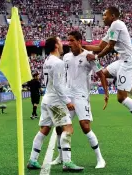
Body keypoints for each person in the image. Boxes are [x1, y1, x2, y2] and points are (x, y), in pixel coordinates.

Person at [84, 6, 132, 144]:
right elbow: (99, 46)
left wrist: (96, 57)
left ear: (112, 16)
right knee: (103, 74)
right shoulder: (112, 28)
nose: (103, 17)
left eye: (105, 15)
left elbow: (109, 47)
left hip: (130, 63)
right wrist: (81, 47)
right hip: (123, 61)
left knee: (121, 98)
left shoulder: (117, 24)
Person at [51, 31, 108, 169]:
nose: (69, 43)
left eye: (71, 40)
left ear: (79, 41)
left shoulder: (89, 56)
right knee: (60, 127)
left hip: (81, 96)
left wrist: (106, 93)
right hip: (67, 96)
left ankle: (100, 159)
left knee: (85, 126)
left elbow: (101, 74)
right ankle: (60, 157)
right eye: (68, 40)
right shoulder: (66, 57)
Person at [27, 36, 84, 172]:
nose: (63, 44)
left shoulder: (47, 61)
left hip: (47, 99)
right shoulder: (58, 63)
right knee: (68, 129)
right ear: (56, 46)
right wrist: (68, 101)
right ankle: (67, 162)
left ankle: (33, 159)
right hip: (56, 101)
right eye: (60, 42)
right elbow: (58, 86)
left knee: (44, 130)